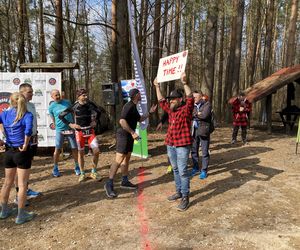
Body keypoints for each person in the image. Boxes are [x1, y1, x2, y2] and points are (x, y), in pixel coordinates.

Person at [104, 88, 157, 198]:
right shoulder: (128, 106)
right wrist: (133, 132)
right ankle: (109, 183)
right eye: (140, 93)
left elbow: (140, 119)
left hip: (128, 135)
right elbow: (122, 121)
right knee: (119, 159)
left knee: (127, 158)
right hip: (123, 135)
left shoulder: (134, 106)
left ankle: (124, 180)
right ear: (136, 95)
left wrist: (150, 113)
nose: (141, 95)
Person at [153, 72, 194, 211]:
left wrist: (185, 83)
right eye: (170, 99)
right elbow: (161, 101)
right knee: (175, 169)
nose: (170, 101)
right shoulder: (170, 111)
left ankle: (185, 197)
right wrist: (157, 86)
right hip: (170, 144)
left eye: (173, 99)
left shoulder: (186, 110)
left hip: (182, 145)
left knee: (183, 171)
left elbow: (190, 98)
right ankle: (178, 191)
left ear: (180, 99)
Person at [0, 92, 36, 224]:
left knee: (7, 183)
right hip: (22, 152)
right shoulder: (27, 115)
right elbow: (28, 131)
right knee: (22, 185)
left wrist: (1, 140)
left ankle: (4, 211)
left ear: (10, 101)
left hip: (9, 152)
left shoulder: (4, 114)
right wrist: (26, 145)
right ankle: (21, 215)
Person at [59, 89, 102, 182]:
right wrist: (71, 124)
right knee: (81, 153)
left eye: (86, 95)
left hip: (90, 131)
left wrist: (95, 121)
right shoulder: (74, 106)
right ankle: (82, 173)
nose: (86, 97)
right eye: (84, 95)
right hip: (79, 132)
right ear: (78, 96)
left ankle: (93, 171)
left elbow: (99, 111)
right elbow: (61, 116)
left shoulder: (90, 104)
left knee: (96, 151)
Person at [15, 83, 41, 203]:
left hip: (33, 138)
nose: (32, 94)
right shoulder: (17, 106)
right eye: (29, 92)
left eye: (32, 91)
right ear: (22, 92)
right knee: (20, 168)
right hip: (23, 140)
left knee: (28, 165)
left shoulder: (31, 105)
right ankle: (19, 195)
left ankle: (25, 189)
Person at [48, 89, 80, 177]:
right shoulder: (51, 106)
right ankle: (55, 168)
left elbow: (73, 113)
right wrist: (56, 125)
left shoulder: (67, 102)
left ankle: (77, 166)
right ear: (52, 97)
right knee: (57, 149)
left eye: (58, 94)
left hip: (70, 128)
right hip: (60, 130)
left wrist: (74, 123)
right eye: (55, 95)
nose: (58, 96)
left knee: (74, 148)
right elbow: (53, 118)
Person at [190, 91, 212, 179]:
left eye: (195, 97)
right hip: (193, 130)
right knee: (194, 150)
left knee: (204, 151)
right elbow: (189, 115)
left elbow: (204, 115)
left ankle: (204, 170)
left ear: (201, 97)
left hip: (204, 131)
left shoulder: (207, 104)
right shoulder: (191, 105)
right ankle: (195, 167)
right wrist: (197, 114)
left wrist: (195, 114)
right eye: (193, 97)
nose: (194, 99)